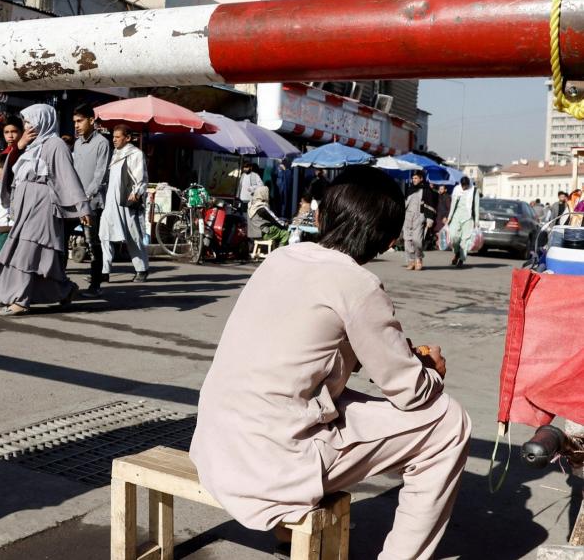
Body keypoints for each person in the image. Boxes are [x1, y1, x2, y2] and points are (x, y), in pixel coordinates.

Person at [191, 166, 470, 560]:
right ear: (390, 241)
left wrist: (391, 355)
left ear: (320, 217)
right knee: (448, 423)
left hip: (215, 446)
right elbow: (409, 391)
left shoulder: (280, 259)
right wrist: (431, 374)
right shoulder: (359, 285)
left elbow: (308, 351)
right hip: (268, 467)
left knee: (320, 399)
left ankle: (291, 538)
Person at [0, 105, 90, 316]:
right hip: (24, 209)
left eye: (31, 122)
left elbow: (68, 176)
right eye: (27, 123)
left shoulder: (56, 144)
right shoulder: (29, 146)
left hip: (42, 208)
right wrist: (19, 146)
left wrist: (82, 206)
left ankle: (21, 300)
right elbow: (8, 172)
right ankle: (65, 291)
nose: (28, 127)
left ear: (44, 120)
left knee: (26, 254)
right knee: (39, 257)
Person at [99, 124, 150, 282]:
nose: (114, 140)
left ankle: (142, 269)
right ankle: (104, 271)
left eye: (117, 137)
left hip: (126, 201)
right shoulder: (115, 153)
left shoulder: (135, 154)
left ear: (127, 138)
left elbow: (141, 177)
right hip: (110, 202)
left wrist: (136, 193)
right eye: (113, 137)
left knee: (132, 236)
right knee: (104, 235)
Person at [70, 104, 111, 297]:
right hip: (72, 201)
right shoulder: (77, 143)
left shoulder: (102, 142)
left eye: (80, 121)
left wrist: (86, 197)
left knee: (92, 242)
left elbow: (100, 174)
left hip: (91, 203)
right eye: (74, 122)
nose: (76, 126)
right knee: (63, 240)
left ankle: (96, 284)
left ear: (91, 120)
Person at [446, 175, 480, 267]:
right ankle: (457, 252)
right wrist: (449, 218)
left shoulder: (474, 191)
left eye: (466, 186)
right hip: (456, 217)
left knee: (465, 240)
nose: (464, 188)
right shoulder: (457, 190)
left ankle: (461, 258)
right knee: (453, 237)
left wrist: (476, 221)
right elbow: (452, 205)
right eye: (463, 186)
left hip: (468, 218)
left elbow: (476, 207)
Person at [402, 170, 433, 271]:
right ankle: (411, 261)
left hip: (419, 217)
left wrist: (429, 219)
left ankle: (418, 258)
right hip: (408, 217)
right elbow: (405, 204)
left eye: (416, 178)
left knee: (417, 240)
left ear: (421, 179)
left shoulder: (426, 190)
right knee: (407, 240)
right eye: (413, 178)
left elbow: (430, 205)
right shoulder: (410, 189)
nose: (413, 180)